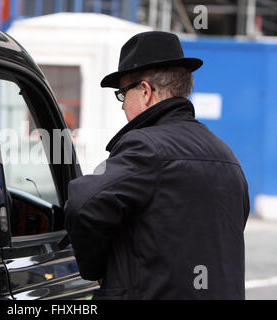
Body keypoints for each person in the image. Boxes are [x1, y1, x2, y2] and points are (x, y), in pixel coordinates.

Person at [64, 31, 250, 299]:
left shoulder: (144, 147)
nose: (122, 106)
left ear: (145, 91)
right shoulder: (227, 156)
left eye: (122, 94)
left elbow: (83, 203)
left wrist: (98, 269)